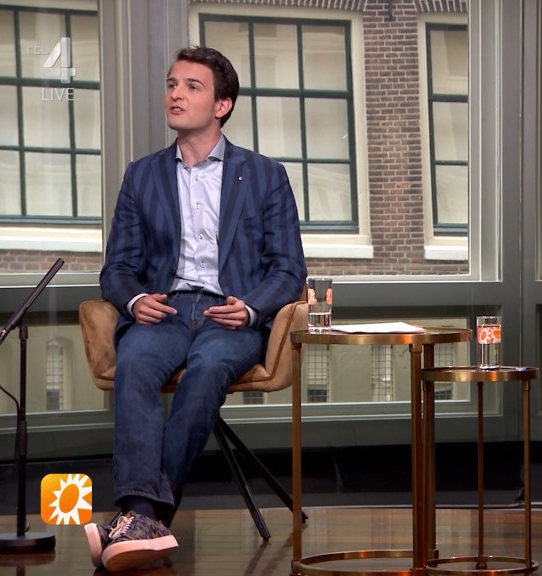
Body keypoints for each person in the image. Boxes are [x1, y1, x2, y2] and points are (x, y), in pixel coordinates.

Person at [83, 46, 306, 572]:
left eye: (191, 86)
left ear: (222, 105)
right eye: (171, 84)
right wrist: (136, 300)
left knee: (206, 369)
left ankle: (140, 515)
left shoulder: (266, 175)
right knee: (136, 363)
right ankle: (145, 519)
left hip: (229, 315)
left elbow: (289, 269)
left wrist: (250, 309)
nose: (175, 94)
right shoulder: (142, 175)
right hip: (164, 310)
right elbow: (117, 268)